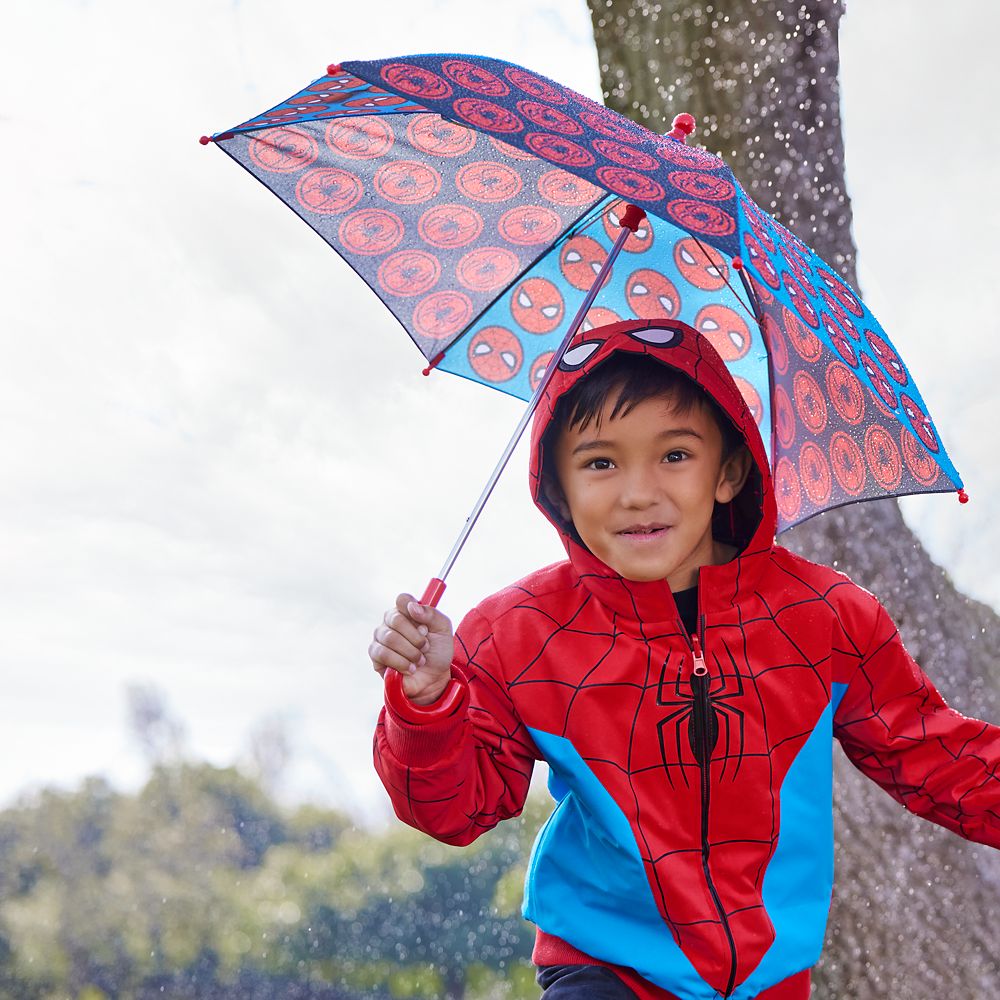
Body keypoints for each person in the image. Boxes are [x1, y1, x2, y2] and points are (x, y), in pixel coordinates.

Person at [368, 318, 1000, 1000]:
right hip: (605, 968)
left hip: (770, 978)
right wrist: (428, 703)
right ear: (556, 484)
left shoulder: (828, 619)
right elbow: (456, 812)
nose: (638, 492)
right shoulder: (514, 633)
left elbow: (937, 758)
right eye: (600, 462)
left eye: (674, 455)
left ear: (729, 471)